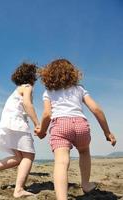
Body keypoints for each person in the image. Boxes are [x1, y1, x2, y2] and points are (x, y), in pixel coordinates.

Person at [35, 59, 116, 200]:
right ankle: (85, 184)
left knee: (61, 162)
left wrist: (42, 131)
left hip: (60, 125)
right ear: (73, 73)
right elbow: (96, 109)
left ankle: (62, 198)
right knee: (84, 152)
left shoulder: (48, 92)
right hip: (80, 125)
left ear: (48, 75)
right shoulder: (79, 89)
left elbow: (47, 114)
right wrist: (107, 132)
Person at [0, 63, 40, 198]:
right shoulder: (27, 87)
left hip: (8, 123)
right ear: (31, 76)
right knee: (29, 156)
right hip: (17, 124)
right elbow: (27, 104)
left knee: (19, 157)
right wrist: (37, 123)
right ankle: (19, 190)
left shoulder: (17, 89)